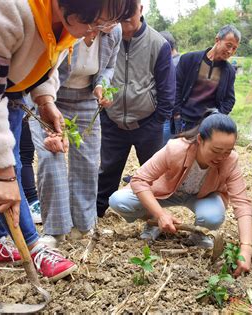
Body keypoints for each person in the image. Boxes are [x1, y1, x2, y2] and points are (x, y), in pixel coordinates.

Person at [0, 0, 135, 281]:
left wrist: (45, 99)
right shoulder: (1, 11)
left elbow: (48, 59)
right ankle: (36, 248)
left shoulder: (67, 20)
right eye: (93, 24)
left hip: (9, 97)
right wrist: (4, 175)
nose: (92, 36)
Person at [108, 112, 252, 277]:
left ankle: (199, 235)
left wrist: (246, 248)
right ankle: (154, 222)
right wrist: (160, 214)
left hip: (202, 197)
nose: (221, 157)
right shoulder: (176, 149)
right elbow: (139, 180)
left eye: (227, 151)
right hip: (164, 192)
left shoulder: (230, 161)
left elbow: (242, 204)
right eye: (216, 150)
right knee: (119, 200)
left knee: (212, 216)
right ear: (200, 140)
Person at [30, 24, 122, 248]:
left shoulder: (115, 31)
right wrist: (46, 100)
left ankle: (82, 226)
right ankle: (55, 230)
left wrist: (102, 84)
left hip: (86, 99)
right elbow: (44, 64)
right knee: (51, 158)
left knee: (87, 163)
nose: (110, 25)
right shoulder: (72, 21)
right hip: (50, 97)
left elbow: (109, 66)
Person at [96, 0, 175, 218]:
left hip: (147, 122)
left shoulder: (158, 44)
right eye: (120, 17)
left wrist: (158, 120)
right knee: (108, 170)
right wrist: (104, 113)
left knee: (153, 174)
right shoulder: (107, 39)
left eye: (129, 15)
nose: (125, 21)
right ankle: (97, 213)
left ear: (141, 10)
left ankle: (155, 217)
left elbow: (167, 88)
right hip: (113, 120)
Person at [172, 25, 241, 133]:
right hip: (184, 121)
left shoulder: (229, 71)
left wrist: (217, 117)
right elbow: (176, 87)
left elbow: (230, 99)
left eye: (234, 48)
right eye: (228, 45)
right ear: (217, 40)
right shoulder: (189, 59)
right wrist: (177, 114)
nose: (230, 51)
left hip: (208, 125)